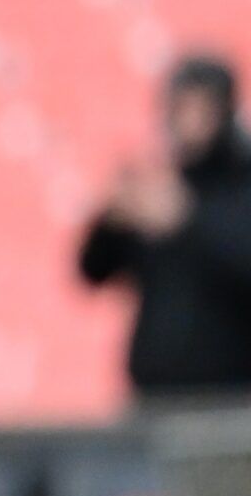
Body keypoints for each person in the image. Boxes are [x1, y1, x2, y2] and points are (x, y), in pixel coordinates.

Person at [79, 53, 251, 393]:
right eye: (179, 108)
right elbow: (93, 271)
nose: (187, 122)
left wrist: (188, 222)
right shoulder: (163, 182)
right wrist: (113, 219)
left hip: (230, 397)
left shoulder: (240, 186)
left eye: (200, 109)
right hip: (155, 393)